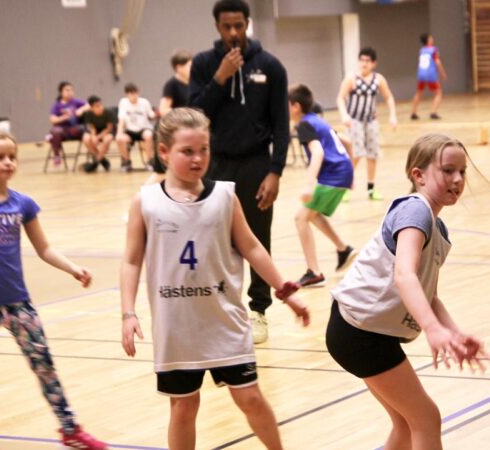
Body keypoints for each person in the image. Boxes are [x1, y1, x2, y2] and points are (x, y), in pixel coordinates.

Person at [120, 108, 309, 450]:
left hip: (225, 322)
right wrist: (128, 313)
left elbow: (253, 248)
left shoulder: (224, 196)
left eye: (204, 149)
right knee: (183, 407)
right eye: (187, 151)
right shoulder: (145, 202)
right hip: (177, 327)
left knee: (250, 397)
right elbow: (131, 261)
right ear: (163, 152)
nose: (198, 158)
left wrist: (286, 292)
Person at [0, 129, 107, 450]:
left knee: (44, 365)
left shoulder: (23, 204)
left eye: (12, 157)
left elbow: (44, 248)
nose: (8, 162)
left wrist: (73, 268)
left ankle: (70, 429)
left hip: (18, 303)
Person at [326, 133, 489, 450]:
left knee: (405, 425)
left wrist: (453, 333)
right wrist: (431, 328)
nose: (458, 179)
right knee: (426, 419)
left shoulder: (437, 227)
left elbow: (428, 294)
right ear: (418, 175)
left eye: (462, 171)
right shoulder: (415, 211)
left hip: (363, 331)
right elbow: (404, 274)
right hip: (359, 332)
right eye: (448, 170)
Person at [189, 0, 289, 344]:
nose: (233, 33)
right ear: (217, 27)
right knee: (215, 240)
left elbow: (282, 124)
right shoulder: (204, 64)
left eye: (238, 26)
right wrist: (220, 78)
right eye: (226, 26)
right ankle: (222, 308)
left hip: (256, 164)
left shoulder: (270, 66)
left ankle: (258, 309)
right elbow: (195, 115)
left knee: (258, 237)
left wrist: (275, 171)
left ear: (247, 24)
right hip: (215, 164)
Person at [291, 84, 356, 287]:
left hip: (332, 175)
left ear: (295, 106)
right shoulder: (318, 121)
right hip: (341, 172)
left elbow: (318, 152)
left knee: (301, 218)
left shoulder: (304, 124)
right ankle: (343, 249)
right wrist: (351, 173)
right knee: (312, 214)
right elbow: (347, 142)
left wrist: (309, 185)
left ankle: (314, 273)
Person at [336, 47, 397, 201]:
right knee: (355, 154)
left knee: (372, 155)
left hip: (371, 121)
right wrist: (344, 115)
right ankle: (345, 187)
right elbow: (340, 98)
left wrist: (393, 116)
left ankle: (371, 189)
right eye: (361, 60)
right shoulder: (351, 79)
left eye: (367, 61)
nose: (364, 63)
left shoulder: (378, 79)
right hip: (354, 121)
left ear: (373, 63)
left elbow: (389, 97)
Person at [149, 50, 194, 183]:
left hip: (183, 131)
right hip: (166, 130)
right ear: (178, 67)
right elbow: (163, 109)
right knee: (160, 173)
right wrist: (185, 114)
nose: (192, 68)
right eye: (189, 65)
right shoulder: (171, 84)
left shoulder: (193, 84)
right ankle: (142, 195)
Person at [117, 82, 156, 173]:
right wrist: (119, 132)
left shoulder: (144, 102)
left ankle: (150, 161)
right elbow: (121, 119)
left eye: (135, 93)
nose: (134, 96)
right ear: (127, 94)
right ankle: (126, 162)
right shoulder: (123, 102)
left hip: (143, 129)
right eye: (131, 94)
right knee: (120, 139)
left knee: (149, 136)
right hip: (130, 130)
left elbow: (151, 115)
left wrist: (155, 114)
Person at [48, 81, 89, 166]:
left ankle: (94, 156)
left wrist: (81, 110)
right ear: (61, 92)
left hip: (75, 129)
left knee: (85, 130)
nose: (70, 92)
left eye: (71, 90)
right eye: (67, 90)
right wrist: (63, 118)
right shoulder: (57, 105)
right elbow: (52, 120)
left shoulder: (76, 102)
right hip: (63, 131)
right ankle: (57, 155)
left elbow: (89, 105)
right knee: (55, 131)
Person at [410, 34, 448, 120]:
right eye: (431, 38)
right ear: (428, 40)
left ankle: (413, 112)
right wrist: (442, 73)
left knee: (419, 93)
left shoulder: (422, 50)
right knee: (438, 93)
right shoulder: (434, 50)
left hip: (421, 74)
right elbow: (438, 62)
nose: (432, 39)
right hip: (430, 74)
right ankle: (433, 112)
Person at [81, 96, 115, 173]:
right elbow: (91, 127)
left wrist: (98, 136)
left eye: (100, 105)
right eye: (97, 106)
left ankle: (96, 162)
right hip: (96, 131)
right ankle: (102, 160)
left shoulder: (108, 112)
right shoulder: (89, 114)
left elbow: (109, 128)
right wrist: (93, 136)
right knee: (86, 138)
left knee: (107, 139)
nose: (100, 107)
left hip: (106, 131)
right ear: (91, 108)